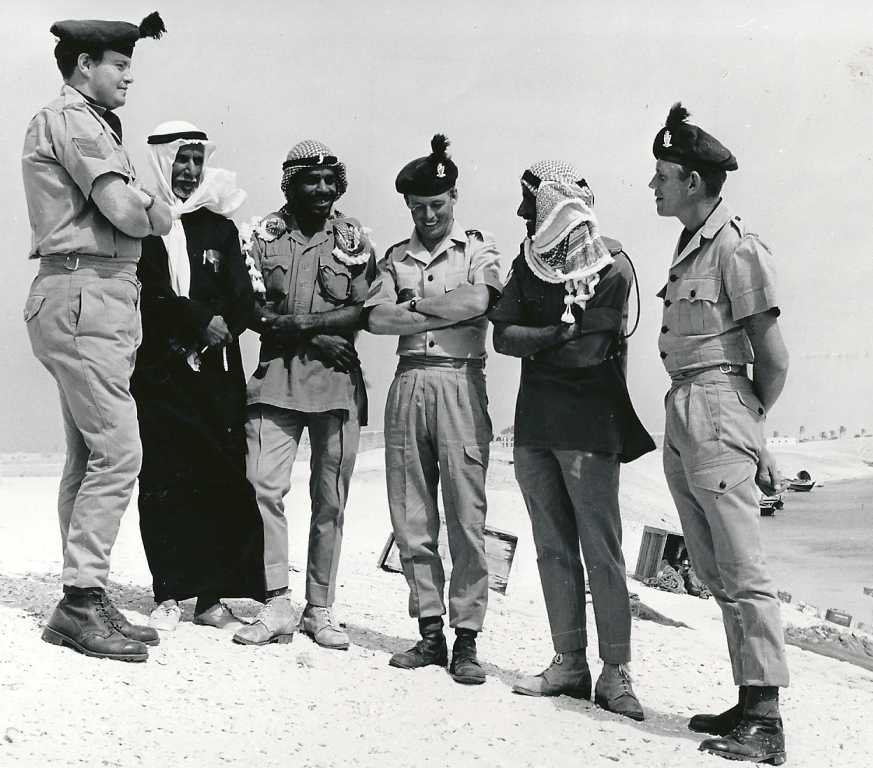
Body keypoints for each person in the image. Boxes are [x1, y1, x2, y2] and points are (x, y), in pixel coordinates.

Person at [21, 14, 171, 662]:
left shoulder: (90, 122)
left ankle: (84, 593)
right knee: (120, 451)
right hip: (85, 292)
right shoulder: (76, 120)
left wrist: (149, 207)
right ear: (85, 64)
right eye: (120, 64)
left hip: (91, 294)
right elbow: (127, 211)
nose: (129, 76)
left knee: (89, 455)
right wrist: (158, 207)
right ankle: (80, 601)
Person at [649, 103, 790, 764]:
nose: (653, 186)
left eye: (663, 176)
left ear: (694, 181)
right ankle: (747, 698)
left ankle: (766, 720)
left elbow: (774, 357)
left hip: (716, 405)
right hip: (685, 407)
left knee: (742, 566)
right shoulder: (689, 247)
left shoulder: (736, 248)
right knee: (712, 566)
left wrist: (745, 424)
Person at [489, 161, 655, 719]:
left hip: (589, 428)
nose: (522, 212)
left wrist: (541, 342)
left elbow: (590, 352)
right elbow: (503, 338)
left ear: (555, 204)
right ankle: (569, 663)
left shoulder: (612, 265)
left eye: (530, 201)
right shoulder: (528, 262)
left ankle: (616, 673)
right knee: (552, 547)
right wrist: (561, 331)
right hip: (535, 428)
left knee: (602, 550)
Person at [364, 135, 501, 685]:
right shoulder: (395, 256)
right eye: (418, 206)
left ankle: (467, 639)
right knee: (411, 514)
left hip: (461, 381)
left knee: (467, 515)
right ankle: (429, 631)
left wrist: (415, 306)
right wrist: (443, 312)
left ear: (454, 198)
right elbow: (377, 318)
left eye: (437, 205)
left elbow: (478, 301)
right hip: (408, 383)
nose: (428, 215)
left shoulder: (478, 251)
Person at [233, 141, 375, 650]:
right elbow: (250, 307)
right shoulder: (262, 236)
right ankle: (276, 603)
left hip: (336, 386)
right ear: (290, 184)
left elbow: (361, 310)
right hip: (275, 382)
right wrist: (313, 335)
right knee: (262, 487)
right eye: (310, 180)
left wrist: (299, 325)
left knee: (330, 501)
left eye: (330, 181)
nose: (322, 189)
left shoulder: (354, 238)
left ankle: (320, 609)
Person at [131, 121, 266, 633]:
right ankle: (168, 593)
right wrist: (194, 322)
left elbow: (242, 295)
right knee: (163, 480)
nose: (189, 171)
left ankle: (211, 598)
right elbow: (145, 289)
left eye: (197, 160)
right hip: (160, 373)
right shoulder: (140, 222)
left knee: (220, 477)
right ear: (163, 162)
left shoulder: (219, 227)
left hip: (215, 372)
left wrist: (212, 331)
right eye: (180, 160)